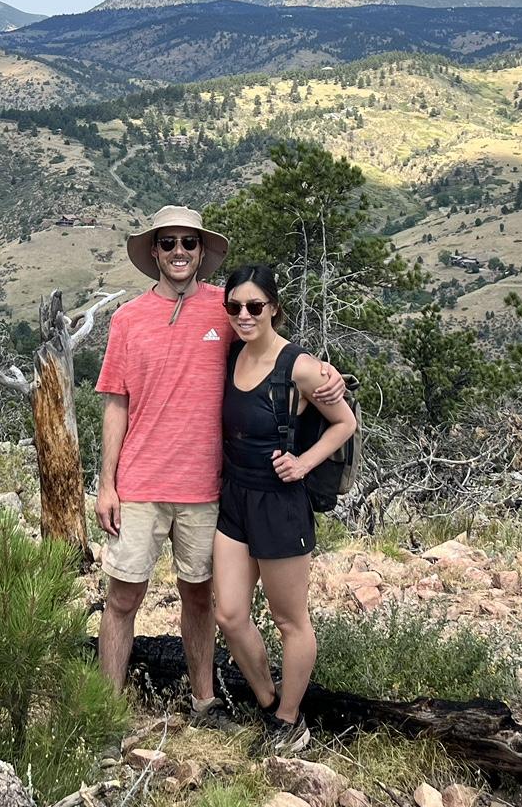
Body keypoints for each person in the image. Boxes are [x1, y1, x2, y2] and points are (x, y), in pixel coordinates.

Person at [94, 206, 344, 727]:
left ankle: (205, 702)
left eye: (189, 242)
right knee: (122, 598)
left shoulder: (226, 310)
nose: (179, 251)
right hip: (139, 483)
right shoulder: (127, 320)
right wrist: (106, 484)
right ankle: (105, 713)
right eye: (168, 243)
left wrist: (329, 374)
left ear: (202, 251)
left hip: (208, 487)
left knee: (201, 599)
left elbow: (274, 351)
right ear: (155, 253)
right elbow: (115, 402)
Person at [212, 262, 357, 751]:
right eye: (234, 307)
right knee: (230, 613)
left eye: (255, 306)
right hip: (235, 498)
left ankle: (288, 722)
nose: (244, 315)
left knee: (289, 619)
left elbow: (344, 422)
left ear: (273, 307)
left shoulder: (298, 365)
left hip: (280, 503)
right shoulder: (230, 353)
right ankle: (269, 698)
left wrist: (304, 462)